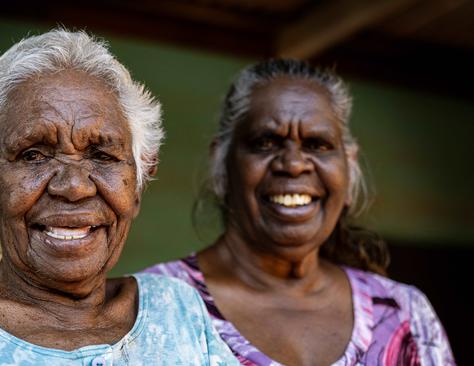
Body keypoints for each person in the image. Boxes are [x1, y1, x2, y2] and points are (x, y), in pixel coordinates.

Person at [0, 29, 239, 366]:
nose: (74, 186)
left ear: (138, 182)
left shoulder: (176, 310)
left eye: (102, 155)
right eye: (33, 155)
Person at [145, 60, 455, 366]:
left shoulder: (404, 315)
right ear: (223, 166)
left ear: (349, 167)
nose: (293, 164)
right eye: (265, 142)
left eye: (318, 145)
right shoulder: (154, 308)